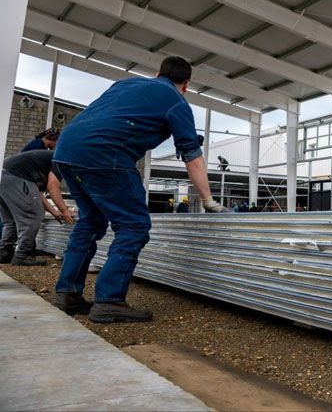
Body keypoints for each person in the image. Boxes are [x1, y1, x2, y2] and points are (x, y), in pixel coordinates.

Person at [51, 56, 227, 323]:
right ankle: (109, 300)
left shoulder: (127, 84)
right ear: (186, 85)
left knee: (90, 221)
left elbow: (116, 118)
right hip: (104, 154)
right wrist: (208, 200)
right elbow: (192, 157)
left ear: (157, 73)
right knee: (133, 225)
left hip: (66, 149)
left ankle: (67, 294)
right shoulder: (176, 101)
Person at [0, 150, 74, 265]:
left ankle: (4, 252)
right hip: (15, 177)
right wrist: (64, 210)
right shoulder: (63, 158)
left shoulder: (40, 162)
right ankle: (23, 255)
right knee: (31, 217)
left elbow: (36, 194)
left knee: (11, 221)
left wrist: (55, 212)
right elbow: (52, 185)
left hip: (3, 175)